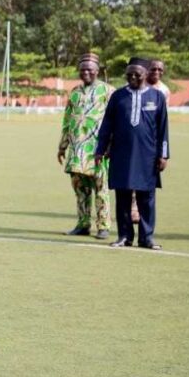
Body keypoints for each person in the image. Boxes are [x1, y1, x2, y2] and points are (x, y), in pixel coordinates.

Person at [95, 57, 170, 250]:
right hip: (121, 153)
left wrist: (163, 155)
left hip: (148, 155)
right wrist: (100, 150)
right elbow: (106, 126)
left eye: (137, 74)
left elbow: (163, 129)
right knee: (123, 196)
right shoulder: (118, 96)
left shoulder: (157, 97)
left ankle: (147, 238)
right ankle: (124, 236)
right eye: (129, 74)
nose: (133, 77)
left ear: (146, 74)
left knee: (147, 198)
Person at [57, 53, 114, 239]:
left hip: (98, 150)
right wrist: (62, 146)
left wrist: (111, 145)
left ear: (97, 71)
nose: (86, 72)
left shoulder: (108, 91)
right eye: (82, 70)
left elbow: (115, 121)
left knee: (101, 188)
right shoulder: (74, 92)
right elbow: (67, 120)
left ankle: (104, 226)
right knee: (80, 190)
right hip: (76, 150)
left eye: (90, 69)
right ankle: (83, 224)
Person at [129, 59, 171, 223]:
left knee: (148, 179)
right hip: (134, 139)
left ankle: (143, 211)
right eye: (153, 69)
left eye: (160, 70)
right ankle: (133, 209)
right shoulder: (137, 84)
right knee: (132, 175)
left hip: (151, 141)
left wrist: (163, 151)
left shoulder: (163, 91)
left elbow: (162, 120)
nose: (156, 73)